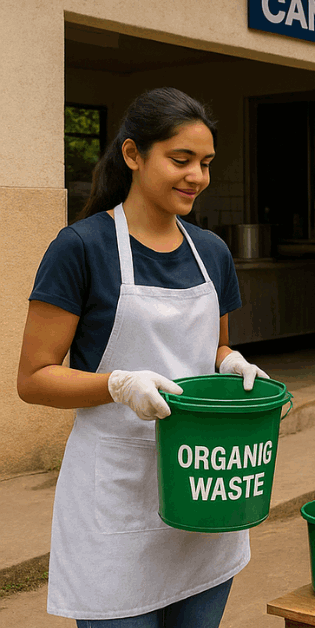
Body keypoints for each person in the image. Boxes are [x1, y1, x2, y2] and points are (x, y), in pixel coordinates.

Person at [17, 87, 269, 627]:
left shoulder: (212, 252)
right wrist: (116, 385)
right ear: (133, 155)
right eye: (180, 160)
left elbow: (215, 346)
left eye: (205, 164)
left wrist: (229, 362)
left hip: (206, 490)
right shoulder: (81, 248)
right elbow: (34, 378)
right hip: (115, 500)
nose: (196, 177)